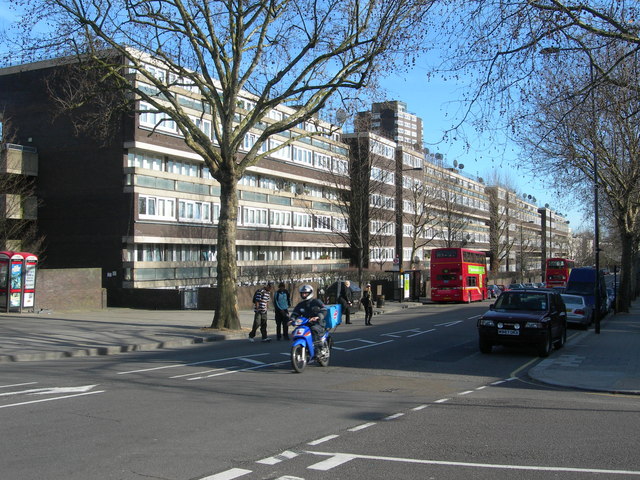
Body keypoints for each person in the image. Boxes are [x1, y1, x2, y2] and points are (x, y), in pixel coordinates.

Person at [290, 284, 327, 351]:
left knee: (314, 329)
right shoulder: (300, 304)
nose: (304, 295)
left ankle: (319, 348)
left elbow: (324, 310)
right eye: (302, 293)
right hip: (306, 323)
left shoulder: (316, 301)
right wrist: (292, 319)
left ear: (310, 293)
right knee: (297, 331)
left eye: (305, 293)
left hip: (317, 323)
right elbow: (295, 313)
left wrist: (318, 317)